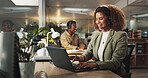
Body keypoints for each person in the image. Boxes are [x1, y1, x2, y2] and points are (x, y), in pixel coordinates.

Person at [72, 4, 128, 75]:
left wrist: (95, 65)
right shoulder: (96, 34)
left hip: (114, 73)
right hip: (99, 71)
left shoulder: (120, 35)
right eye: (96, 19)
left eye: (101, 19)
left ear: (110, 19)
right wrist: (81, 58)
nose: (97, 22)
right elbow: (89, 52)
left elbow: (115, 62)